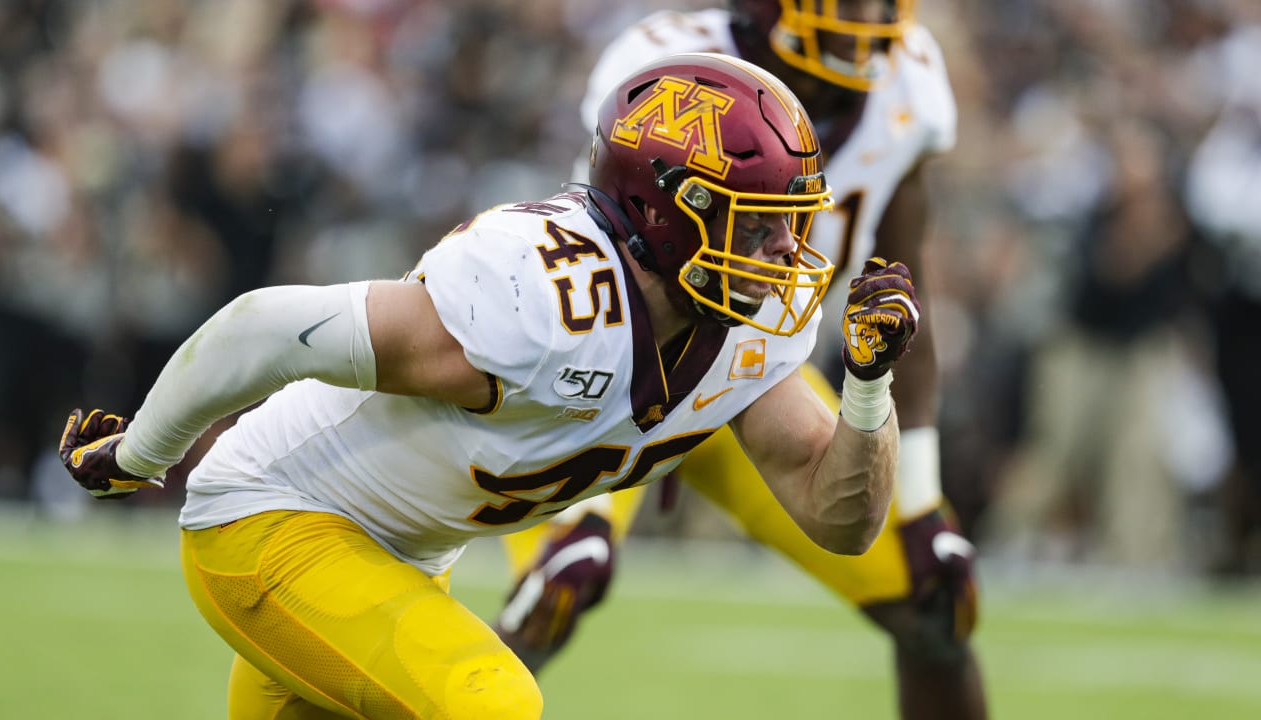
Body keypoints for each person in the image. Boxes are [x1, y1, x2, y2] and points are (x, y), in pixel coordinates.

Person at [58, 52, 920, 720]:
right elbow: (266, 327)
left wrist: (869, 387)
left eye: (790, 225)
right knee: (490, 699)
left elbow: (836, 517)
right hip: (274, 524)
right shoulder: (539, 301)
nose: (784, 254)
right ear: (667, 211)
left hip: (393, 561)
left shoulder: (745, 329)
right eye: (759, 223)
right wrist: (141, 452)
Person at [493, 3, 988, 718]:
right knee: (562, 584)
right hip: (629, 367)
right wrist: (588, 517)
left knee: (935, 601)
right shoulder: (667, 70)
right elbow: (594, 251)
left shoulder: (909, 90)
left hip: (760, 376)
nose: (867, 16)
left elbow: (906, 298)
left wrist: (921, 504)